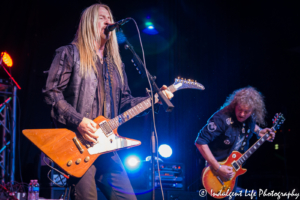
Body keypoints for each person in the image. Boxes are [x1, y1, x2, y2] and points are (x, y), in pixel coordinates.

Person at [43, 3, 173, 200]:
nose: (109, 21)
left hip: (106, 147)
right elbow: (51, 93)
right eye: (102, 18)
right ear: (89, 23)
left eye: (109, 17)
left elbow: (126, 102)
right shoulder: (69, 53)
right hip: (77, 144)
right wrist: (78, 120)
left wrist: (153, 100)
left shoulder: (115, 65)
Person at [195, 86, 275, 200]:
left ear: (253, 111)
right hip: (214, 172)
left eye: (246, 111)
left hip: (232, 171)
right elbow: (200, 142)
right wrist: (218, 168)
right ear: (235, 105)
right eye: (240, 109)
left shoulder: (250, 118)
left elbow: (252, 125)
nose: (242, 114)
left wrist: (259, 131)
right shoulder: (221, 118)